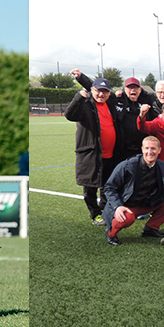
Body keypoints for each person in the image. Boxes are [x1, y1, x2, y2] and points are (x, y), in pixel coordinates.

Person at [101, 136, 164, 245]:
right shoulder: (127, 165)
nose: (150, 152)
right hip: (127, 206)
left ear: (159, 150)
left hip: (147, 203)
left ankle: (151, 228)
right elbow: (109, 188)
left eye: (153, 148)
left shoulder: (163, 167)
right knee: (127, 218)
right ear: (142, 149)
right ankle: (111, 234)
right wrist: (118, 206)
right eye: (147, 148)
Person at [65, 75, 122, 224]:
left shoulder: (110, 103)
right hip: (91, 154)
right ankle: (94, 213)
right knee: (90, 186)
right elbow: (69, 115)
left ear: (109, 93)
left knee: (107, 185)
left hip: (111, 154)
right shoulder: (85, 104)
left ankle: (104, 210)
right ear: (92, 90)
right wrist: (79, 96)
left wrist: (81, 77)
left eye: (105, 91)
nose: (101, 94)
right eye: (98, 91)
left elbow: (100, 89)